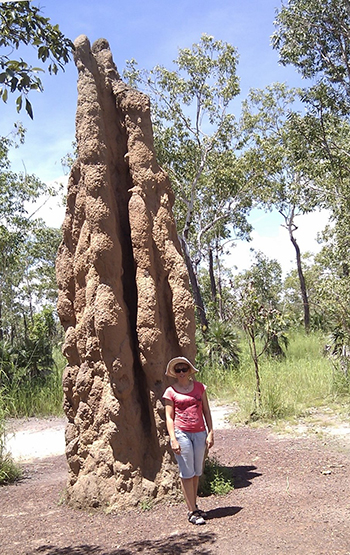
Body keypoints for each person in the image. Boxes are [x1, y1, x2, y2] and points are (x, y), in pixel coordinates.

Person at [163, 356, 214, 525]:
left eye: (184, 369)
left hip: (199, 433)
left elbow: (206, 411)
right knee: (186, 473)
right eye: (178, 370)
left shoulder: (200, 388)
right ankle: (191, 511)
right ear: (174, 373)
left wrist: (211, 432)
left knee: (196, 472)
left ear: (189, 370)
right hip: (181, 433)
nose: (181, 372)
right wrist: (173, 439)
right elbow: (169, 418)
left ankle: (195, 506)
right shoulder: (170, 391)